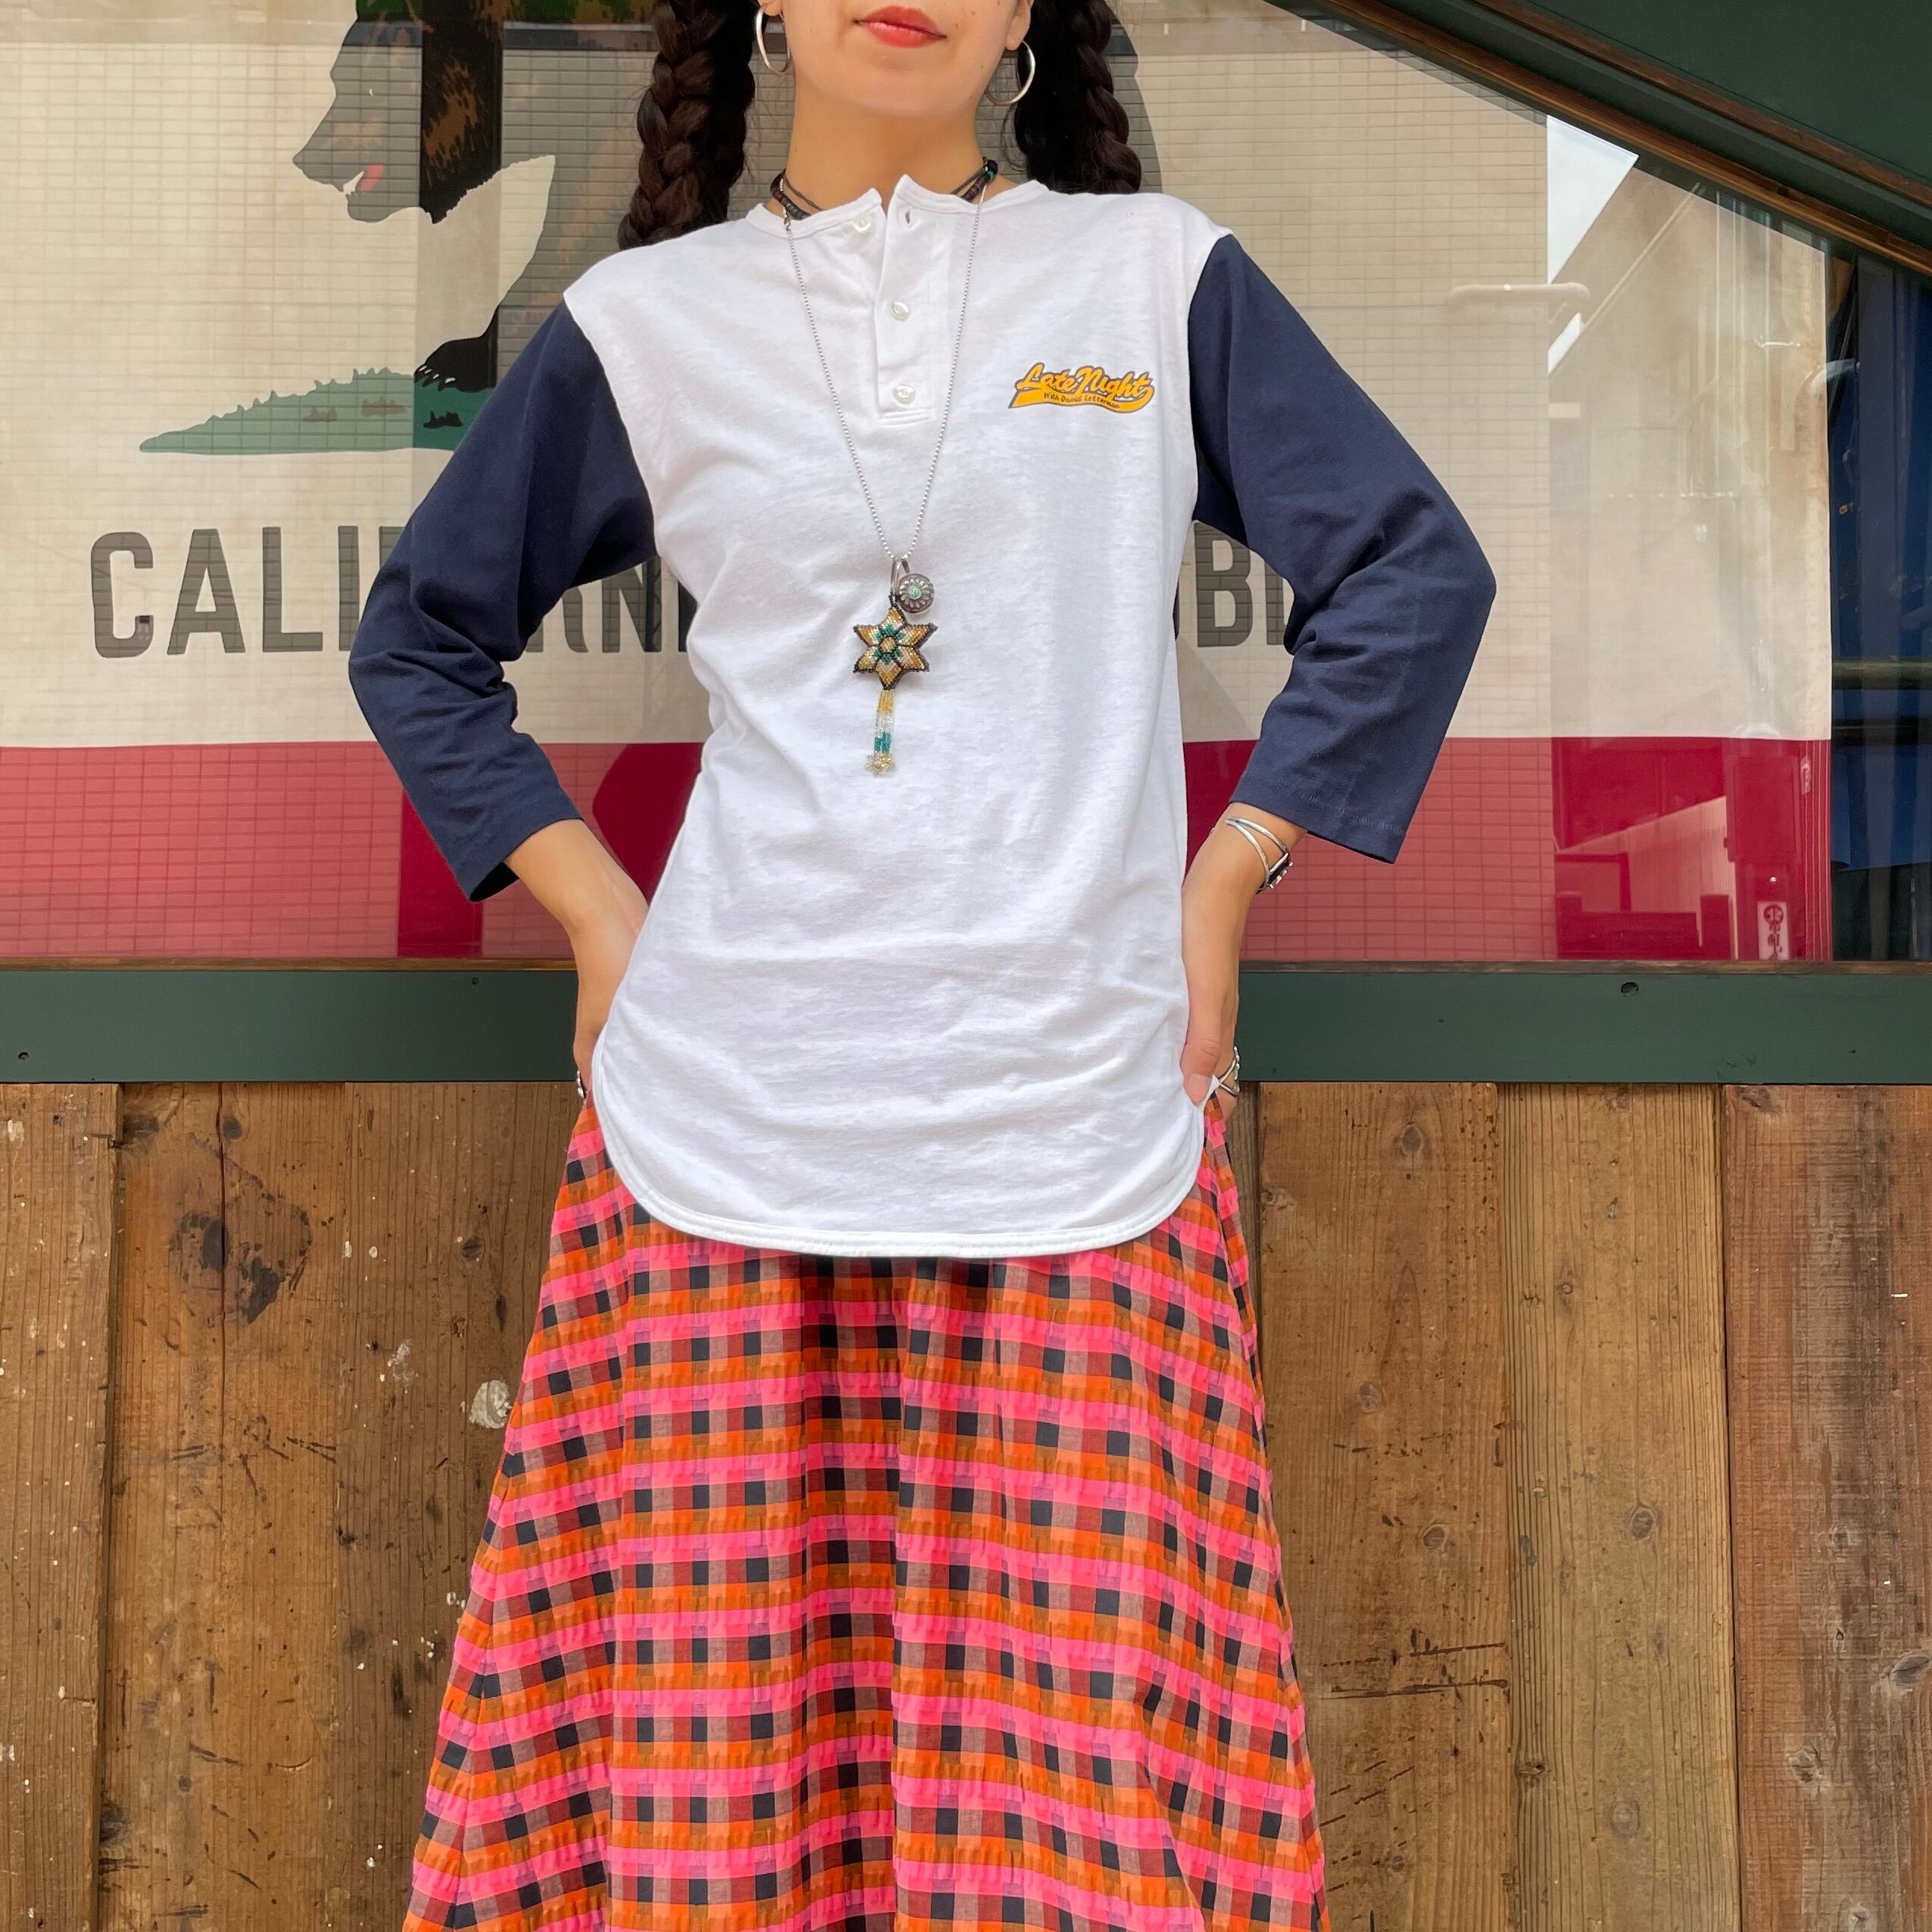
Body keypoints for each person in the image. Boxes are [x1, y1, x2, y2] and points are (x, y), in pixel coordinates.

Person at [347, 0, 1497, 1920]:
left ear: (1031, 9)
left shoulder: (1154, 279)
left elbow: (1409, 568)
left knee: (1076, 1799)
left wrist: (1229, 873)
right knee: (723, 1777)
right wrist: (595, 906)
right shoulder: (650, 320)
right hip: (720, 1136)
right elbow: (420, 637)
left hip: (1077, 1121)